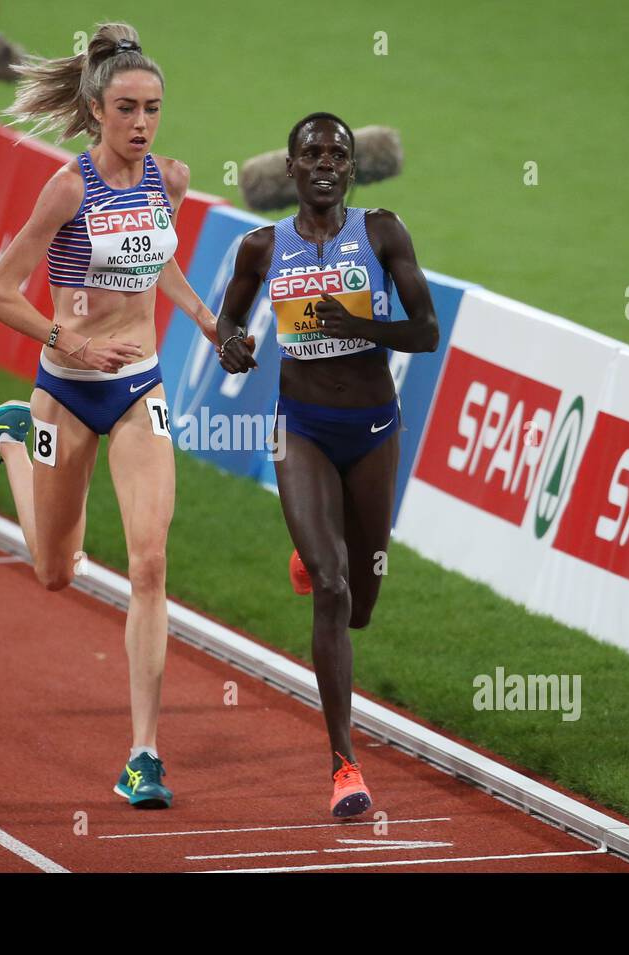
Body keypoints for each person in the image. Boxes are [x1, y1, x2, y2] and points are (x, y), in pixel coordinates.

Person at [0, 23, 220, 809]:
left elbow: (161, 258)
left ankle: (144, 753)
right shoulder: (69, 188)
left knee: (149, 565)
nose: (142, 124)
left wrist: (209, 320)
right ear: (95, 108)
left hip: (140, 389)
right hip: (66, 390)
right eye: (126, 108)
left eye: (152, 108)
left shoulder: (169, 179)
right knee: (55, 571)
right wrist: (68, 342)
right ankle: (16, 438)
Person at [216, 112, 438, 817]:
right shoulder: (260, 247)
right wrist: (234, 346)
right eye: (310, 153)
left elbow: (426, 331)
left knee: (362, 606)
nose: (323, 163)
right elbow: (228, 325)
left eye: (336, 154)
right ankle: (345, 764)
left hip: (373, 430)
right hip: (300, 429)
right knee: (334, 589)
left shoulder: (382, 232)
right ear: (290, 168)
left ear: (352, 168)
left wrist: (359, 326)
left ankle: (318, 555)